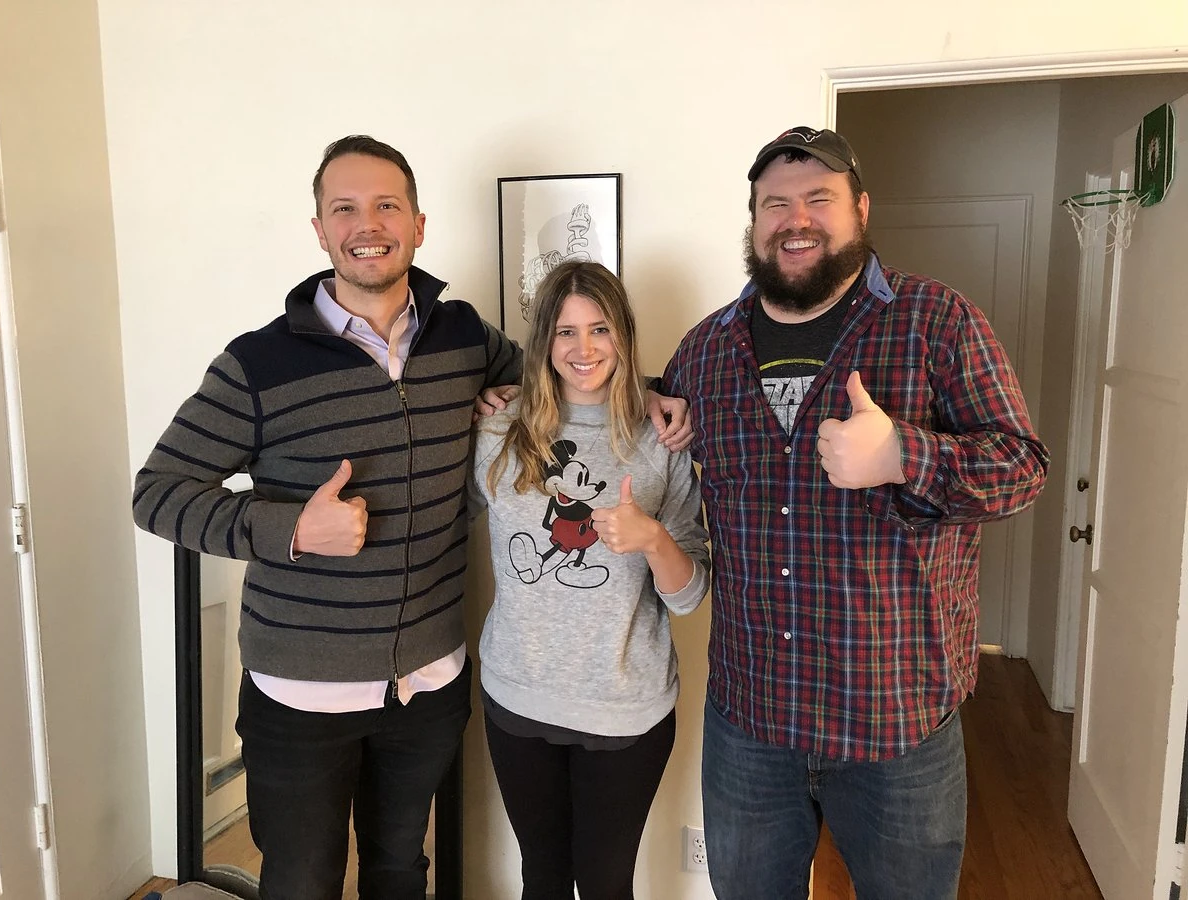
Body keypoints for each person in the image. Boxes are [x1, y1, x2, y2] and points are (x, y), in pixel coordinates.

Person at [131, 135, 690, 900]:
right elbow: (156, 492)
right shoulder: (257, 364)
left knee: (400, 872)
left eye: (387, 205)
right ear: (320, 229)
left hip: (426, 686)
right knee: (303, 882)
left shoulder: (462, 338)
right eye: (345, 208)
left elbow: (570, 371)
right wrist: (291, 530)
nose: (368, 224)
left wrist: (655, 393)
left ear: (418, 224)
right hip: (302, 691)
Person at [660, 126, 1050, 900]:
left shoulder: (937, 321)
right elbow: (645, 414)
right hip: (750, 720)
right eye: (776, 204)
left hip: (894, 721)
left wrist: (906, 455)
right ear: (754, 220)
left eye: (819, 198)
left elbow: (1022, 467)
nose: (796, 220)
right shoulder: (706, 349)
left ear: (860, 209)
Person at [469, 260, 709, 900]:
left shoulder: (662, 437)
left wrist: (652, 538)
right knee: (541, 880)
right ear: (543, 341)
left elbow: (689, 596)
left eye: (600, 329)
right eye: (566, 331)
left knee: (606, 885)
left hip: (625, 709)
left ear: (623, 335)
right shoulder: (496, 430)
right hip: (518, 699)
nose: (584, 349)